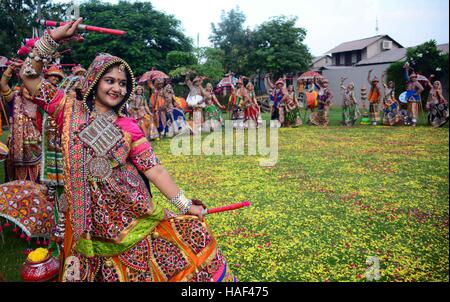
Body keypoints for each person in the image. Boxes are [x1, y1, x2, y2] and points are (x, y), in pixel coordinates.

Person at [19, 19, 236, 282]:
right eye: (110, 80)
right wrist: (53, 37)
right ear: (94, 81)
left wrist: (184, 204)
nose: (117, 88)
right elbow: (29, 76)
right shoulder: (67, 110)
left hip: (130, 217)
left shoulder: (128, 126)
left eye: (122, 84)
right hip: (85, 220)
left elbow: (154, 169)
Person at [1, 61, 42, 181]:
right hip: (17, 148)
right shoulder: (14, 99)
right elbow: (3, 85)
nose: (29, 91)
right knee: (15, 181)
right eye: (26, 87)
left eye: (32, 88)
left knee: (36, 180)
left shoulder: (40, 103)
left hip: (36, 147)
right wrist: (9, 70)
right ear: (22, 87)